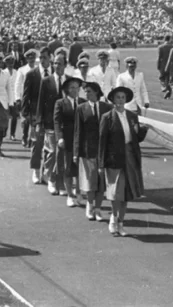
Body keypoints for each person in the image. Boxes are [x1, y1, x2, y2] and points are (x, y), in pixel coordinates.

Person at [98, 86, 148, 237]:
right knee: (115, 193)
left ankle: (121, 222)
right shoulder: (107, 117)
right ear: (112, 100)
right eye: (117, 97)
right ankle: (113, 218)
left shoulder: (132, 116)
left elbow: (136, 139)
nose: (120, 101)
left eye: (123, 98)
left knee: (127, 192)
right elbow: (102, 142)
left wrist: (143, 130)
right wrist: (101, 164)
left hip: (130, 157)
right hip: (114, 159)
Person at [74, 82, 112, 221]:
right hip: (87, 151)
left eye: (89, 91)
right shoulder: (81, 108)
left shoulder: (107, 107)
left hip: (103, 151)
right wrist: (76, 152)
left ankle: (98, 209)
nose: (87, 94)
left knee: (101, 183)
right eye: (85, 91)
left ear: (97, 92)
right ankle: (90, 206)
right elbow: (78, 131)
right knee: (90, 182)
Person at [37, 55, 66, 194]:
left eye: (60, 63)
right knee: (53, 152)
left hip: (65, 123)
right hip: (49, 122)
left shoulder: (68, 80)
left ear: (65, 65)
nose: (57, 66)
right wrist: (39, 122)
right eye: (55, 63)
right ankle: (51, 180)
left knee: (62, 153)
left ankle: (59, 181)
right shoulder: (46, 81)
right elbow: (40, 102)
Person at [54, 76, 85, 207]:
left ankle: (78, 192)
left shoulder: (83, 102)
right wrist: (59, 137)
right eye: (72, 87)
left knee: (79, 168)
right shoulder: (60, 103)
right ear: (67, 89)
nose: (75, 90)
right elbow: (57, 121)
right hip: (67, 139)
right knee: (68, 167)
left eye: (77, 88)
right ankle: (70, 195)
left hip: (81, 140)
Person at [24, 48, 52, 183]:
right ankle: (35, 171)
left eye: (45, 57)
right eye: (40, 57)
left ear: (50, 58)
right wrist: (27, 115)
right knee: (36, 145)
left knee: (49, 145)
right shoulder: (32, 74)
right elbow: (26, 96)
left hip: (50, 115)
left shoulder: (54, 73)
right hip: (35, 115)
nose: (42, 60)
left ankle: (46, 172)